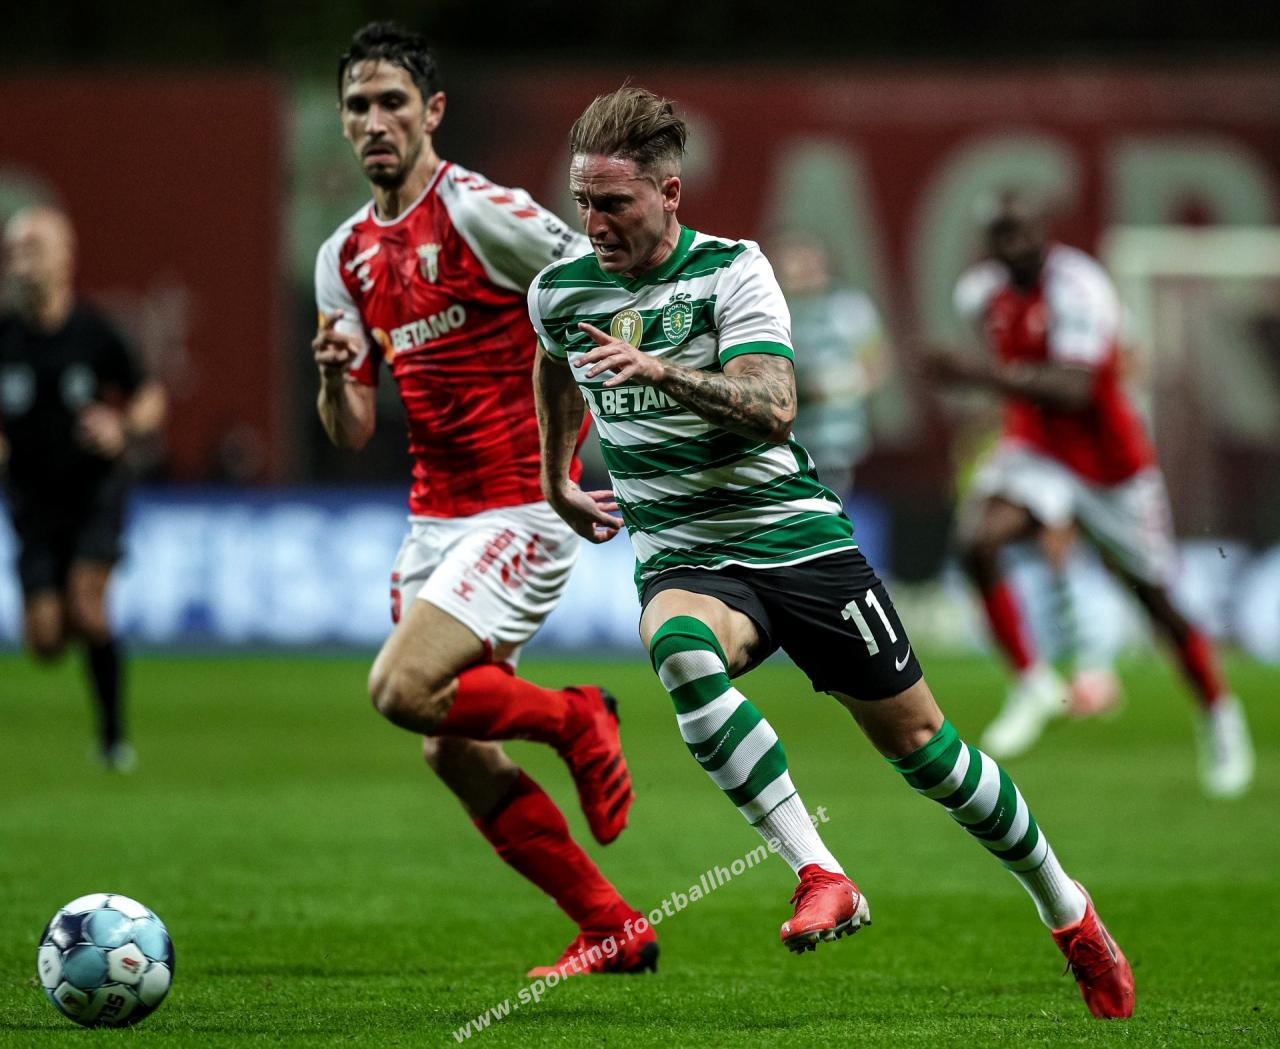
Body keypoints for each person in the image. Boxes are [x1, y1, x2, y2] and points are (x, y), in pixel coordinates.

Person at [531, 85, 1133, 1021]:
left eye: (614, 202)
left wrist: (660, 370)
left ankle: (1068, 909)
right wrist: (555, 475)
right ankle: (821, 871)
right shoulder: (562, 289)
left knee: (928, 752)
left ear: (670, 193)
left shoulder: (733, 271)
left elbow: (774, 406)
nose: (594, 222)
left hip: (796, 541)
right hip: (687, 556)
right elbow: (554, 358)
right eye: (583, 202)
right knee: (680, 652)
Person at [311, 23, 655, 979]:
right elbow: (349, 427)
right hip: (435, 519)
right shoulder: (343, 257)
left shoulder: (482, 213)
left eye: (391, 101)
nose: (375, 120)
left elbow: (595, 293)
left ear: (432, 111)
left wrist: (572, 456)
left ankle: (577, 717)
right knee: (451, 748)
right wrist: (336, 376)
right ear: (343, 122)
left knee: (399, 689)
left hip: (522, 505)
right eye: (357, 106)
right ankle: (611, 927)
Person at [925, 192, 1254, 798]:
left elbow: (1075, 389)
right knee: (977, 540)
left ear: (1043, 230)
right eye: (1002, 236)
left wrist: (977, 376)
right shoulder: (979, 293)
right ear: (989, 244)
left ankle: (1219, 714)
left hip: (1110, 466)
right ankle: (1032, 683)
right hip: (1037, 452)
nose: (1015, 246)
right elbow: (1021, 368)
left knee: (1155, 600)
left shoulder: (1080, 288)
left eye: (1023, 231)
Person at [0, 205, 166, 772]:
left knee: (88, 609)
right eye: (14, 250)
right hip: (32, 503)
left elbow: (149, 397)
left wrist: (122, 426)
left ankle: (113, 739)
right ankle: (69, 611)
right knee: (45, 642)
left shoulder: (94, 333)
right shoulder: (5, 337)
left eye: (33, 249)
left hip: (94, 493)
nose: (21, 262)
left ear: (64, 259)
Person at [770, 229, 890, 497]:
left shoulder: (847, 307)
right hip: (787, 441)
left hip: (837, 443)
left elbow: (877, 366)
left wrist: (827, 386)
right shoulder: (773, 311)